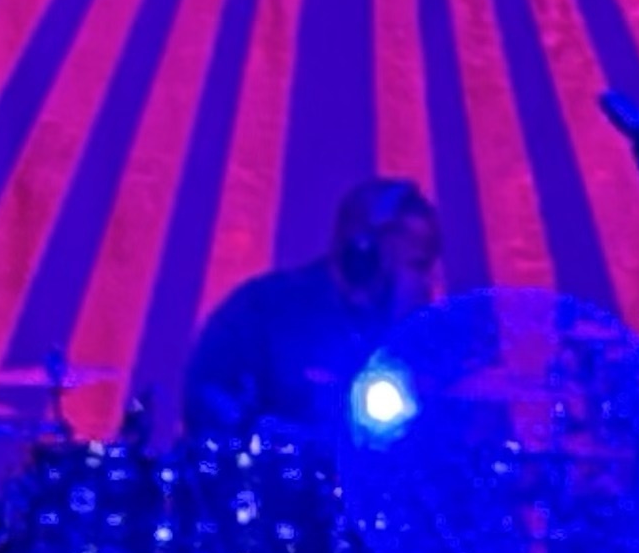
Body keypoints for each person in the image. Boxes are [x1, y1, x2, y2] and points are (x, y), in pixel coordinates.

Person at [182, 175, 446, 443]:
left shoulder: (425, 341)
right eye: (417, 265)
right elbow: (207, 397)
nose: (425, 283)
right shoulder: (263, 309)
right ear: (362, 255)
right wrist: (264, 433)